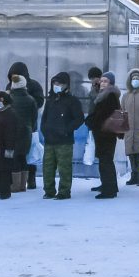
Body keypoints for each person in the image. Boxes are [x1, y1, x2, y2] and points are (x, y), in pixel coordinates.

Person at [38, 72, 85, 200]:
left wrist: (66, 129)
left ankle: (64, 191)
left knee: (64, 168)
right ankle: (49, 190)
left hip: (64, 141)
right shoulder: (50, 100)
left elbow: (79, 119)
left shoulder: (72, 101)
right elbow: (44, 117)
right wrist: (44, 129)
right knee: (47, 167)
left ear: (66, 85)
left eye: (59, 83)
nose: (56, 85)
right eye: (54, 83)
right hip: (49, 140)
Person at [0, 86, 29, 200]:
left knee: (4, 170)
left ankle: (4, 192)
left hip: (3, 148)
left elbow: (11, 134)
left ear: (4, 102)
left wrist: (9, 150)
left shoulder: (10, 114)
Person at [86, 74, 122, 199]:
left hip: (106, 133)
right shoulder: (103, 95)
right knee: (104, 160)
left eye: (105, 81)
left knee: (106, 161)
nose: (102, 83)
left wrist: (91, 121)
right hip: (103, 133)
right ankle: (107, 185)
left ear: (111, 83)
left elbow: (103, 115)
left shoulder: (110, 96)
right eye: (101, 81)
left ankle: (109, 189)